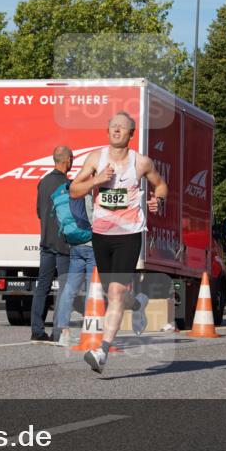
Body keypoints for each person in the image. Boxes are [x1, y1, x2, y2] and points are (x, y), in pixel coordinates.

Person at [70, 112, 167, 373]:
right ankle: (137, 303)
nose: (116, 130)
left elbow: (160, 185)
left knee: (114, 293)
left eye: (122, 128)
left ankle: (101, 352)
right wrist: (96, 180)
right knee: (113, 293)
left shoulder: (141, 162)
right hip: (101, 234)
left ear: (131, 134)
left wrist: (159, 200)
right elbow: (74, 190)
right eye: (113, 127)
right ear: (107, 131)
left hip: (129, 234)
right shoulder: (95, 158)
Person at [31, 146, 73, 343]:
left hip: (46, 241)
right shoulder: (68, 185)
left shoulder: (43, 182)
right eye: (71, 159)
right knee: (64, 289)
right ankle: (57, 332)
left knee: (43, 287)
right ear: (67, 161)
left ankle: (37, 330)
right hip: (63, 243)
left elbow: (39, 212)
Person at [52, 192, 97, 346]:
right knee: (93, 290)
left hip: (74, 246)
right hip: (91, 246)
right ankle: (89, 332)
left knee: (70, 289)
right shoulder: (88, 197)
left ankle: (64, 333)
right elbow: (95, 220)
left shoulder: (68, 196)